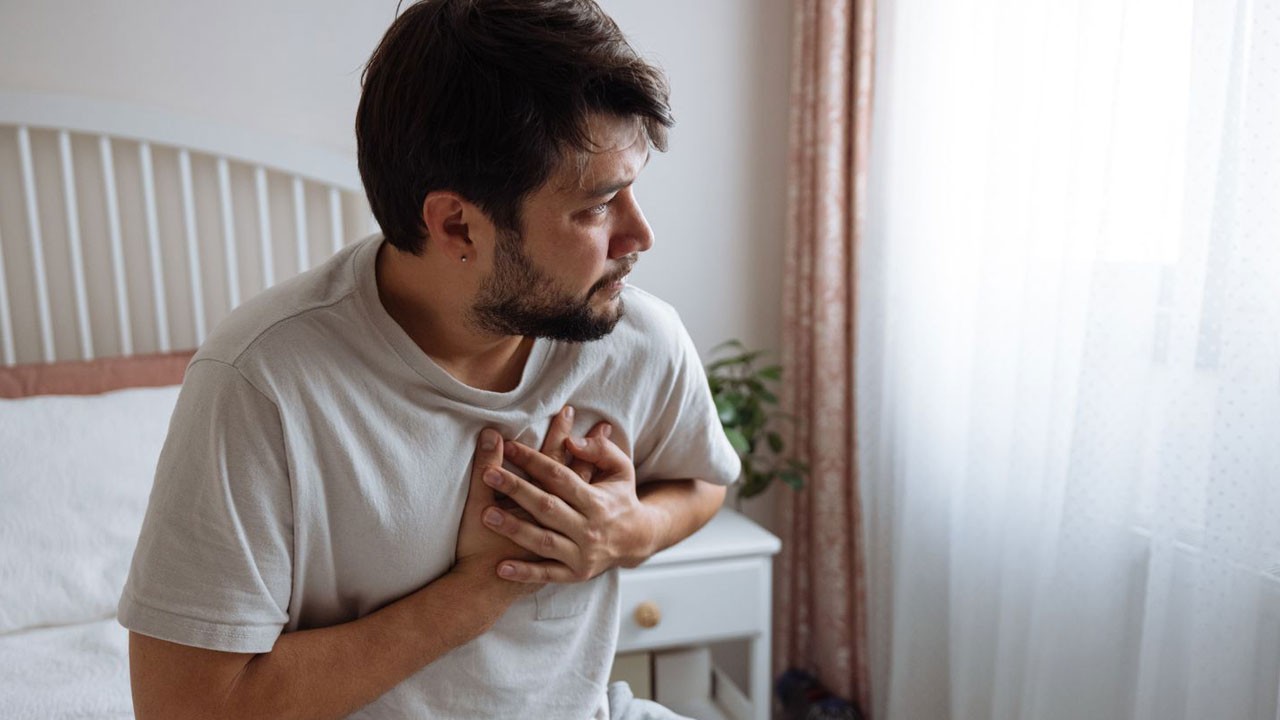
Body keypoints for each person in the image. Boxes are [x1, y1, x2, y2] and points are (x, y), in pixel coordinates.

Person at [118, 1, 740, 718]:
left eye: (632, 188)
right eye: (596, 207)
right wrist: (482, 587)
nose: (640, 235)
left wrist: (622, 533)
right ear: (454, 224)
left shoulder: (635, 337)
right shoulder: (262, 385)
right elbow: (186, 708)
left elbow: (701, 482)